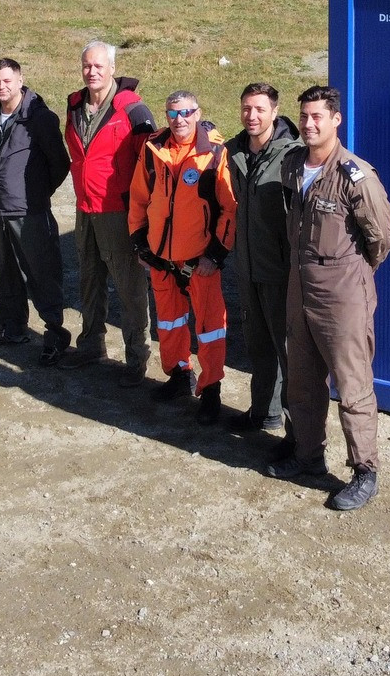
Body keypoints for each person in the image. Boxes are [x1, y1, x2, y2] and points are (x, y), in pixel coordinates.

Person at [267, 85, 390, 511]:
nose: (309, 124)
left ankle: (365, 472)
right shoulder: (291, 166)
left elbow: (382, 238)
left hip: (341, 293)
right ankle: (307, 457)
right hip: (299, 285)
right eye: (304, 117)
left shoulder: (354, 175)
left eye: (318, 117)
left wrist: (351, 273)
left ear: (336, 119)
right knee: (302, 381)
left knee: (353, 385)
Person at [128, 91, 237, 422]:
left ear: (198, 113)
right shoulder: (153, 150)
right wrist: (140, 245)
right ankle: (179, 375)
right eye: (173, 113)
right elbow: (138, 199)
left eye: (186, 112)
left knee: (209, 328)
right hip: (162, 259)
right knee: (170, 323)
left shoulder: (214, 153)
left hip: (200, 261)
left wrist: (215, 255)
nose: (180, 120)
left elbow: (228, 208)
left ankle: (211, 389)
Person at [64, 42, 156, 381]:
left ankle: (136, 359)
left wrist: (143, 215)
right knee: (89, 279)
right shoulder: (74, 105)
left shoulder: (133, 110)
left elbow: (150, 166)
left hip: (119, 211)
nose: (92, 72)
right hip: (85, 208)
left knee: (129, 287)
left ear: (113, 69)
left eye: (99, 66)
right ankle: (91, 345)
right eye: (87, 65)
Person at [0, 58, 71, 362]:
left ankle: (56, 333)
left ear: (20, 81)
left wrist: (37, 192)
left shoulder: (39, 117)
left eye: (7, 81)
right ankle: (12, 327)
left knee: (42, 272)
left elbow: (60, 163)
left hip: (30, 211)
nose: (1, 87)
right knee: (6, 272)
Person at [225, 82, 299, 434]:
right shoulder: (234, 152)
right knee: (258, 344)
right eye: (245, 108)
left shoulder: (294, 156)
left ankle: (298, 434)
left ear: (274, 111)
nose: (251, 116)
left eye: (259, 109)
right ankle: (263, 412)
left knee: (288, 352)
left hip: (281, 272)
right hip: (248, 267)